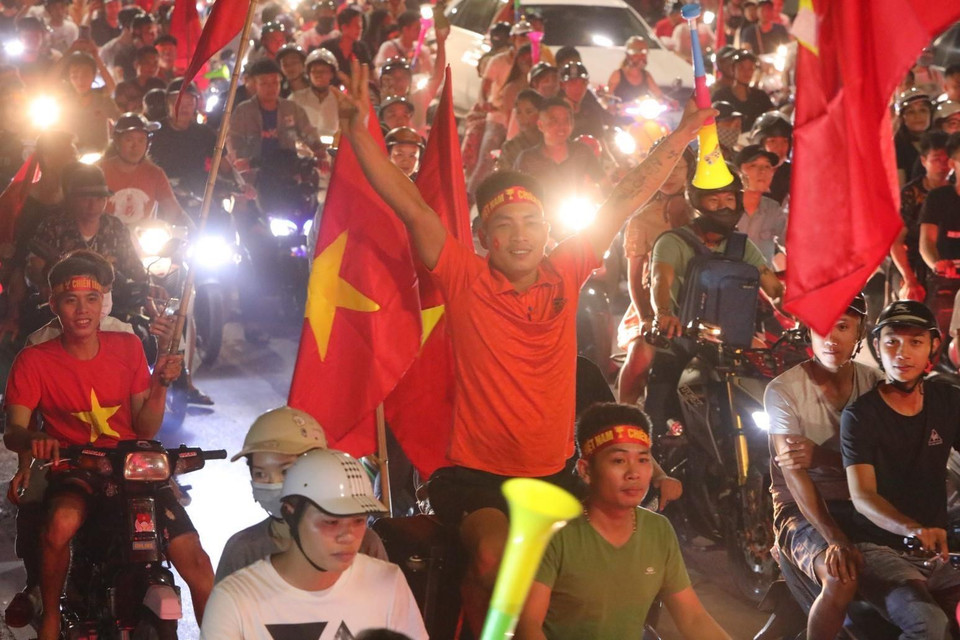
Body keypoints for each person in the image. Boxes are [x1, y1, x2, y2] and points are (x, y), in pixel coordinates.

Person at [334, 59, 716, 634]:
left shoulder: (566, 269)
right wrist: (357, 135)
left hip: (558, 473)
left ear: (546, 228)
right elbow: (409, 203)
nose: (520, 234)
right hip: (476, 476)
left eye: (530, 222)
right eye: (504, 225)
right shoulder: (463, 275)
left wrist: (683, 135)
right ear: (485, 237)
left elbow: (626, 194)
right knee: (492, 558)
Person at [2, 252, 213, 640]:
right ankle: (49, 614)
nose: (82, 310)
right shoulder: (33, 360)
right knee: (60, 524)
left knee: (198, 564)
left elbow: (144, 425)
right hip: (76, 467)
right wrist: (35, 439)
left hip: (133, 466)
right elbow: (13, 429)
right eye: (70, 300)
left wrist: (160, 385)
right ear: (54, 305)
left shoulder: (128, 347)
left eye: (92, 299)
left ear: (104, 303)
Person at [516, 403, 732, 640]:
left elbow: (693, 618)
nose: (634, 473)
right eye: (619, 461)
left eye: (642, 460)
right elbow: (527, 626)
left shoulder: (658, 531)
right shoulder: (554, 535)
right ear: (586, 470)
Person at [201, 449, 428, 639]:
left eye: (358, 520)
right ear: (291, 513)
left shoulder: (387, 581)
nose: (347, 535)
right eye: (331, 521)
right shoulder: (233, 597)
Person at [765, 294, 882, 640]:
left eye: (843, 327)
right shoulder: (782, 390)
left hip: (865, 500)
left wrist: (823, 458)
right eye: (822, 328)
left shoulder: (875, 384)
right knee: (840, 576)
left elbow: (886, 460)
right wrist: (834, 537)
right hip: (800, 512)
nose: (831, 339)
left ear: (859, 333)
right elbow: (794, 474)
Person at [842, 300, 960, 640]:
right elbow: (862, 496)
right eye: (892, 341)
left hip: (939, 551)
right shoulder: (861, 416)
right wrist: (913, 529)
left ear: (933, 347)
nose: (902, 353)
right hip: (881, 549)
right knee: (930, 625)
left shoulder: (947, 400)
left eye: (916, 342)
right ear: (877, 346)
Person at [215, 406, 388, 584]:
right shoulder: (243, 550)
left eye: (286, 471)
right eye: (260, 474)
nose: (273, 483)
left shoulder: (362, 543)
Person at [616, 144, 694, 405]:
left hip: (698, 305)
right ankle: (622, 411)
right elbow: (635, 279)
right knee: (641, 358)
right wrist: (646, 317)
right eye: (663, 167)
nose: (670, 174)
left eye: (677, 167)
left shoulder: (704, 213)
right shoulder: (641, 219)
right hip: (651, 305)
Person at [227, 58, 322, 175]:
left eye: (275, 82)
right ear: (255, 85)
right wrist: (240, 159)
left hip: (288, 170)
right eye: (264, 83)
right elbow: (233, 139)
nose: (271, 88)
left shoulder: (291, 108)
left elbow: (307, 132)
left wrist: (319, 150)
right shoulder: (244, 111)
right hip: (255, 172)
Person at [513, 96, 605, 216]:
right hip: (542, 220)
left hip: (579, 217)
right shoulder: (527, 159)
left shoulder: (582, 152)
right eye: (554, 121)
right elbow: (516, 193)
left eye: (566, 121)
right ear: (541, 125)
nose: (562, 127)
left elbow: (603, 182)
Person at [99, 112, 188, 228]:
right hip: (106, 240)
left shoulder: (155, 174)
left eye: (141, 140)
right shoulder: (99, 172)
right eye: (129, 140)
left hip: (143, 241)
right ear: (117, 141)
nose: (135, 146)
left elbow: (174, 211)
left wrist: (192, 231)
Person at [891, 131, 950, 303]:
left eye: (947, 159)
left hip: (948, 262)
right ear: (924, 161)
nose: (943, 165)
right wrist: (909, 278)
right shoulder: (910, 194)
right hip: (912, 262)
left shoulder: (954, 192)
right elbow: (896, 242)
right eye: (936, 159)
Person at [918, 132, 960, 336]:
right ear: (953, 163)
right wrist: (938, 264)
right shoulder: (938, 198)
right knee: (939, 321)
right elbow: (926, 242)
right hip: (946, 278)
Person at [150, 81, 218, 196]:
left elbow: (224, 165)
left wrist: (239, 184)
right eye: (178, 102)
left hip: (198, 196)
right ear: (168, 104)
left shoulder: (204, 133)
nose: (184, 108)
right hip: (161, 195)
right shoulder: (154, 133)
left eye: (189, 103)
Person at [735, 144, 787, 266]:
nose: (762, 171)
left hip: (763, 281)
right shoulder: (726, 207)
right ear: (739, 172)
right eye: (753, 165)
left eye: (767, 166)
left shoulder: (773, 209)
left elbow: (791, 243)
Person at [710, 49, 774, 130]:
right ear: (733, 69)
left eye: (750, 68)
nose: (746, 72)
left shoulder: (761, 96)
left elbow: (772, 119)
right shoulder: (721, 95)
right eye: (741, 67)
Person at [291, 47, 340, 137]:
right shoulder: (295, 99)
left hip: (333, 149)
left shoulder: (340, 100)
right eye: (314, 71)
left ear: (332, 74)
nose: (318, 75)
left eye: (323, 71)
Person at [607, 36, 669, 104]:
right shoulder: (617, 75)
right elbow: (607, 97)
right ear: (629, 55)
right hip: (621, 113)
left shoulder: (646, 75)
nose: (642, 56)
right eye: (638, 52)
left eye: (645, 52)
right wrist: (614, 106)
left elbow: (659, 94)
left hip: (642, 113)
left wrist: (669, 101)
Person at [560, 61, 611, 140]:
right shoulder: (555, 112)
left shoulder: (591, 110)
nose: (578, 88)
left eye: (583, 83)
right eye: (573, 83)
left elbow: (601, 140)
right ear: (563, 85)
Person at [750, 110, 792, 204]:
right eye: (772, 141)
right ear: (760, 143)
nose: (780, 147)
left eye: (785, 141)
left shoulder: (795, 173)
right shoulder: (746, 173)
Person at [894, 87, 933, 186]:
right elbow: (900, 186)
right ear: (903, 118)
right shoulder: (897, 146)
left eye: (923, 110)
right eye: (911, 112)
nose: (918, 116)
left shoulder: (941, 141)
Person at [498, 89, 544, 171]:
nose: (522, 118)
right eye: (519, 112)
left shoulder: (550, 141)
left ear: (541, 113)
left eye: (529, 112)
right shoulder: (510, 148)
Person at [374, 10, 431, 75]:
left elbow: (430, 71)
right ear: (405, 30)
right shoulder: (388, 48)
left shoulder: (422, 50)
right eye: (417, 28)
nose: (420, 31)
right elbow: (379, 69)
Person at [320, 7, 371, 77]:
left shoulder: (362, 48)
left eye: (361, 26)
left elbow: (370, 70)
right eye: (356, 25)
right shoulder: (327, 47)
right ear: (344, 27)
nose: (360, 29)